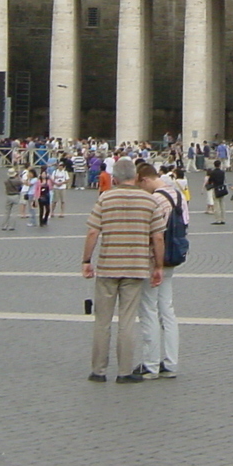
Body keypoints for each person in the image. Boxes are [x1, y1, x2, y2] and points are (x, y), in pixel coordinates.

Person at [81, 158, 165, 383]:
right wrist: (158, 265)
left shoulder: (105, 198)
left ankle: (98, 371)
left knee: (102, 321)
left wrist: (87, 260)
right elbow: (157, 236)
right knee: (127, 321)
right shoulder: (149, 201)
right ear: (135, 177)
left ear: (115, 178)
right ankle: (124, 371)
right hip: (136, 268)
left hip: (108, 266)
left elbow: (92, 233)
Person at [135, 163, 180, 378]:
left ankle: (150, 364)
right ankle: (171, 363)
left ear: (144, 179)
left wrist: (157, 265)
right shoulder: (177, 194)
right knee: (167, 310)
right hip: (174, 257)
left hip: (156, 260)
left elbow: (156, 235)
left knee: (148, 309)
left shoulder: (157, 199)